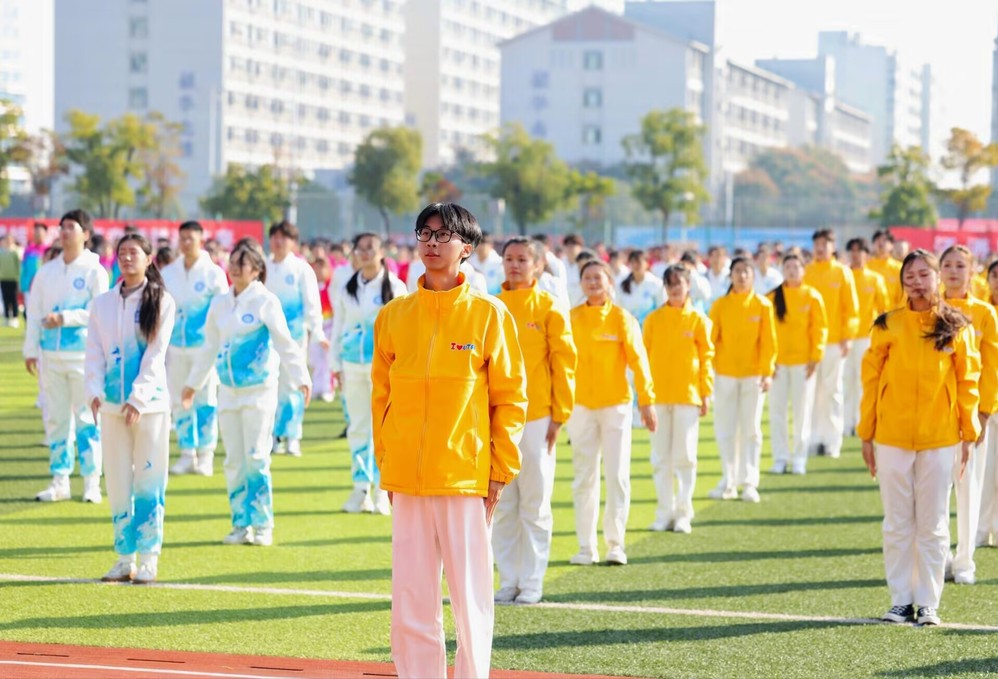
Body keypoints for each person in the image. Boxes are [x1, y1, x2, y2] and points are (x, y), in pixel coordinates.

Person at [372, 202, 526, 679]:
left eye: (444, 235)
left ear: (467, 248)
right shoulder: (394, 315)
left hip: (464, 477)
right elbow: (381, 397)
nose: (432, 243)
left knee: (470, 599)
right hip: (408, 478)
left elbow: (510, 398)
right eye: (425, 233)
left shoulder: (489, 314)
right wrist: (387, 461)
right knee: (412, 599)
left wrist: (499, 470)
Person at [859, 249, 980, 627]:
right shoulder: (887, 324)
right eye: (909, 276)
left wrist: (968, 433)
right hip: (892, 436)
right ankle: (901, 600)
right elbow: (871, 379)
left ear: (937, 278)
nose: (916, 282)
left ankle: (928, 602)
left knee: (933, 523)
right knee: (897, 522)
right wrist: (866, 432)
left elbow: (968, 381)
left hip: (940, 437)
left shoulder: (956, 325)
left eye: (923, 274)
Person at [183, 238, 311, 547]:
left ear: (256, 270)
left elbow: (285, 343)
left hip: (259, 392)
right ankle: (240, 523)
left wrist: (301, 378)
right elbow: (209, 347)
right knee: (234, 461)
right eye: (233, 262)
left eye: (243, 263)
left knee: (256, 457)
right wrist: (192, 383)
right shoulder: (220, 303)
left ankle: (262, 523)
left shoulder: (265, 301)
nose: (235, 268)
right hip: (228, 391)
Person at [85, 234, 175, 584]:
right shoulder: (102, 304)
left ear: (148, 259)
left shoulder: (161, 300)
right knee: (118, 481)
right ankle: (125, 558)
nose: (126, 258)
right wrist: (94, 390)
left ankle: (149, 557)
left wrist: (138, 398)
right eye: (121, 252)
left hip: (149, 408)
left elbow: (156, 354)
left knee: (149, 481)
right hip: (111, 407)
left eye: (133, 252)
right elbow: (94, 352)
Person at [492, 237, 577, 605]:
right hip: (497, 417)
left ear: (539, 266)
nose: (514, 265)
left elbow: (564, 363)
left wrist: (560, 415)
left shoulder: (549, 307)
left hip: (538, 416)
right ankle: (508, 579)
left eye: (522, 259)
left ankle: (532, 581)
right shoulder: (491, 306)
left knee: (535, 501)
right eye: (509, 258)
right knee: (502, 502)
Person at [568, 259, 656, 566]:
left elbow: (639, 361)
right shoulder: (571, 318)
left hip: (616, 406)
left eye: (599, 277)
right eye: (588, 278)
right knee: (584, 477)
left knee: (617, 475)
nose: (593, 282)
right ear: (581, 283)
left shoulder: (621, 318)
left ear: (609, 282)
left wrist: (647, 401)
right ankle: (585, 547)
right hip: (580, 407)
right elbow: (561, 363)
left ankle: (615, 544)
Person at [24, 210, 109, 503]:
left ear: (86, 234)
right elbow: (34, 311)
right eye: (62, 227)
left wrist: (65, 318)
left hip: (83, 356)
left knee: (87, 419)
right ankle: (60, 481)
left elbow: (99, 311)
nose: (64, 231)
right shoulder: (47, 272)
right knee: (57, 420)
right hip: (51, 355)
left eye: (71, 227)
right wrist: (30, 350)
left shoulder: (95, 271)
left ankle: (91, 483)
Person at [331, 232, 406, 515]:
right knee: (358, 427)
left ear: (382, 252)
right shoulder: (347, 288)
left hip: (384, 370)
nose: (364, 253)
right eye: (359, 249)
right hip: (352, 365)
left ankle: (383, 490)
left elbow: (403, 332)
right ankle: (360, 488)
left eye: (370, 248)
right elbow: (338, 326)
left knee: (384, 429)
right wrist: (336, 364)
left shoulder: (395, 287)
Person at [939, 245, 998, 585]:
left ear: (972, 270)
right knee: (936, 492)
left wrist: (985, 412)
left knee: (968, 487)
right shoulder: (932, 310)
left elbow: (991, 367)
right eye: (947, 265)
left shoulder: (985, 313)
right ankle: (940, 557)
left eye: (960, 265)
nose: (953, 271)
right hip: (936, 414)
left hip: (972, 414)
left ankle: (964, 561)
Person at [642, 264, 713, 533]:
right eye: (670, 284)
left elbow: (707, 358)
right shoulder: (653, 320)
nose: (674, 289)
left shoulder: (698, 320)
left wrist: (705, 392)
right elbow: (643, 359)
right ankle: (664, 512)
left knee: (685, 456)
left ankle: (683, 513)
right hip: (658, 397)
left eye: (679, 283)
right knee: (661, 457)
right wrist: (644, 396)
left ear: (688, 286)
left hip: (687, 396)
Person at [160, 221, 229, 476]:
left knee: (205, 400)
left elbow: (223, 311)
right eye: (183, 238)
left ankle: (206, 455)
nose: (186, 243)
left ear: (201, 239)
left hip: (205, 349)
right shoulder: (169, 273)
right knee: (180, 400)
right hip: (176, 347)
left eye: (191, 238)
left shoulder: (214, 274)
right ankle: (187, 453)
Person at [708, 256, 776, 502]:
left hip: (753, 375)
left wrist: (767, 372)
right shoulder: (720, 305)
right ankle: (728, 480)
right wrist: (710, 371)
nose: (742, 276)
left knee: (751, 429)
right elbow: (710, 341)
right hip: (725, 374)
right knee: (726, 429)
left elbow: (769, 342)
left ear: (753, 276)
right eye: (737, 271)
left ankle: (749, 482)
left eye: (746, 271)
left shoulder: (762, 305)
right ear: (731, 275)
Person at [265, 221, 327, 456]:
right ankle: (272, 436)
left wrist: (317, 332)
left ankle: (292, 436)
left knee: (293, 385)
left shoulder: (301, 269)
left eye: (284, 237)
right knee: (269, 386)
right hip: (266, 338)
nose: (278, 241)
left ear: (293, 242)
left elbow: (312, 304)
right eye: (275, 236)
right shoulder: (262, 267)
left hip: (294, 338)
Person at [767, 254, 828, 475]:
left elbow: (819, 329)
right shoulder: (772, 297)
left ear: (803, 270)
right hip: (778, 364)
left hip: (803, 363)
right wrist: (769, 361)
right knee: (777, 412)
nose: (792, 271)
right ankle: (780, 458)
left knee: (802, 412)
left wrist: (815, 357)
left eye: (796, 267)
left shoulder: (812, 296)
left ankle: (799, 458)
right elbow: (766, 332)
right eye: (788, 267)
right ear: (782, 270)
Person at [804, 229, 859, 459]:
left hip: (835, 342)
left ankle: (832, 441)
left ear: (832, 246)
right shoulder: (807, 272)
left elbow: (851, 308)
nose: (820, 248)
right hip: (810, 343)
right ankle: (813, 439)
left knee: (833, 391)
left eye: (824, 244)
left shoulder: (842, 272)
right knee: (812, 392)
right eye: (817, 243)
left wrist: (848, 336)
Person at [844, 238, 888, 436]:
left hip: (866, 337)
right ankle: (846, 423)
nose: (856, 255)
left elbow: (883, 309)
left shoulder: (875, 279)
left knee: (863, 382)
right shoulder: (844, 276)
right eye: (852, 251)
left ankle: (861, 421)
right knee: (846, 381)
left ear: (866, 254)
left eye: (859, 251)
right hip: (845, 337)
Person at [979, 259, 998, 548]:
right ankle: (980, 530)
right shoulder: (981, 312)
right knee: (984, 469)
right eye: (995, 276)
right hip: (984, 400)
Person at [310, 256, 336, 403]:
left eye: (322, 268)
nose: (319, 271)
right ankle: (317, 387)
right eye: (317, 268)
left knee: (327, 359)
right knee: (316, 359)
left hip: (329, 325)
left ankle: (328, 389)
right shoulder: (312, 286)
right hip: (316, 326)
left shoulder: (331, 286)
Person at [616, 250, 665, 328]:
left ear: (646, 263)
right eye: (633, 262)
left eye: (639, 262)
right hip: (629, 328)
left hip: (651, 328)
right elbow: (618, 309)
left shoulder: (656, 284)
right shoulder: (622, 285)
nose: (636, 265)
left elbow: (662, 308)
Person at [20, 223, 50, 321]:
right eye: (36, 232)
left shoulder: (48, 250)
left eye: (40, 232)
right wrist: (22, 283)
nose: (38, 235)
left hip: (45, 285)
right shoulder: (28, 250)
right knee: (29, 310)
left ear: (45, 234)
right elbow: (24, 267)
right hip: (29, 285)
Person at [868, 230, 903, 309]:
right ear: (873, 245)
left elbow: (902, 296)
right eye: (877, 240)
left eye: (884, 240)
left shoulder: (899, 268)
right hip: (871, 315)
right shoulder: (866, 267)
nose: (881, 243)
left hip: (892, 313)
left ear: (892, 245)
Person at [0, 234, 22, 326]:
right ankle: (7, 317)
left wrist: (18, 277)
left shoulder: (15, 251)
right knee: (5, 299)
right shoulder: (1, 252)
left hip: (13, 279)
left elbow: (18, 266)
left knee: (13, 299)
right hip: (3, 279)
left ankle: (15, 317)